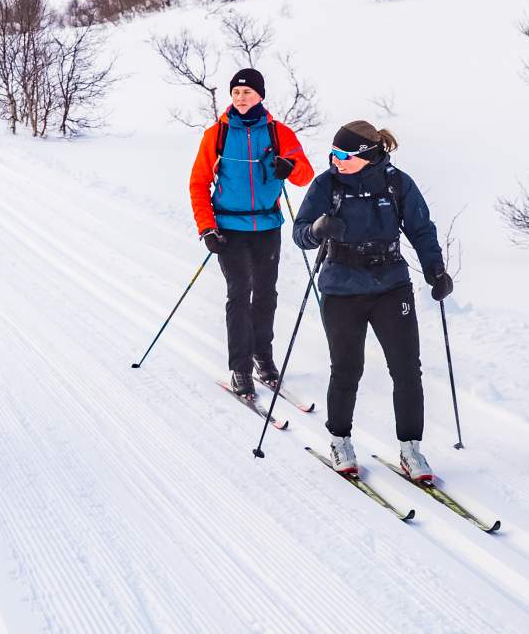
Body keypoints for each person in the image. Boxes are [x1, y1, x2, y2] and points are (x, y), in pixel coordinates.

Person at [292, 120, 452, 482]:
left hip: (390, 284)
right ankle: (340, 441)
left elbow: (421, 229)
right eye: (332, 154)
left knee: (407, 369)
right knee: (347, 369)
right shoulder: (326, 184)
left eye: (343, 155)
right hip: (341, 288)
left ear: (366, 155)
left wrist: (435, 271)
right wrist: (318, 230)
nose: (335, 161)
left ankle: (411, 449)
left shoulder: (397, 183)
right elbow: (300, 232)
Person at [189, 67, 314, 397]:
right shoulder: (216, 134)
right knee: (239, 294)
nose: (240, 98)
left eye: (247, 92)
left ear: (260, 95)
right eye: (235, 93)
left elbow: (305, 175)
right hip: (229, 229)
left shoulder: (279, 133)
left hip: (268, 227)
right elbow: (199, 184)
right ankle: (240, 368)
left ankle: (263, 356)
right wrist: (207, 228)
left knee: (266, 295)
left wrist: (290, 167)